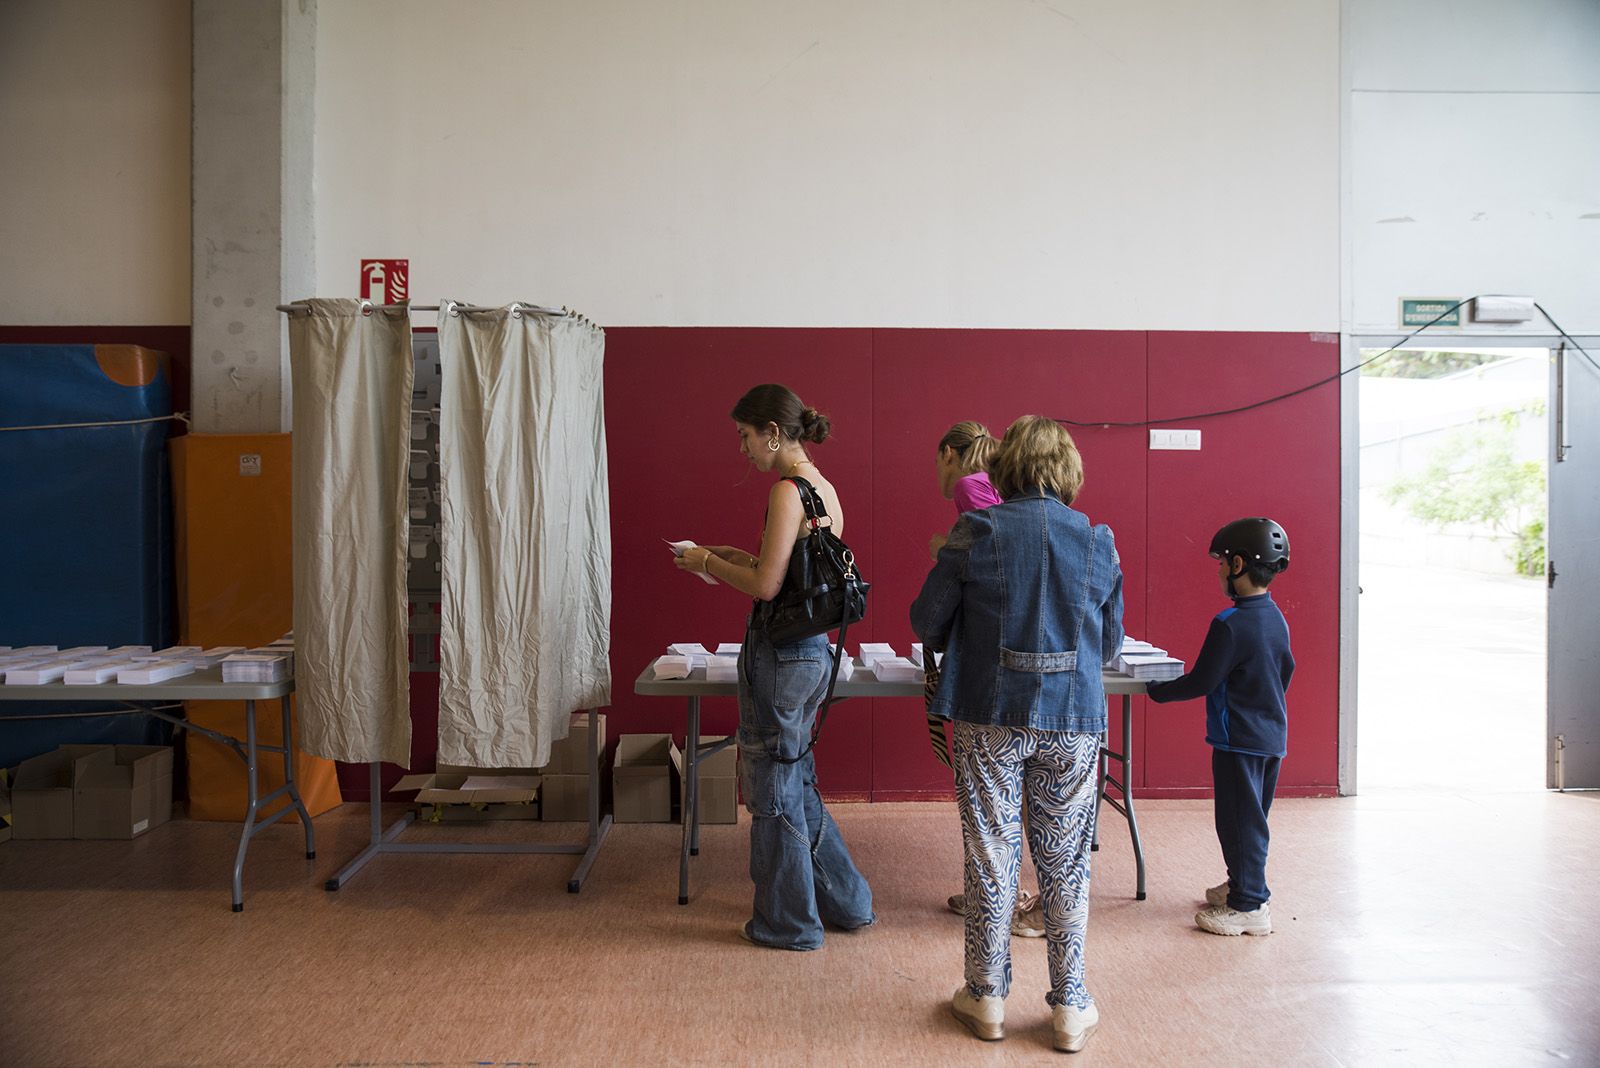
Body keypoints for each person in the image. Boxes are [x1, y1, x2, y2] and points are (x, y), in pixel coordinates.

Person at [910, 415, 1124, 1054]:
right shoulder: (1096, 540)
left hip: (988, 716)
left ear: (1005, 469)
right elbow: (1108, 644)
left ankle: (987, 995)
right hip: (1073, 721)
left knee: (990, 852)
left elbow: (926, 621)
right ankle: (1070, 1006)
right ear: (1069, 472)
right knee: (1063, 862)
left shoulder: (977, 531)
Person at [674, 383, 875, 950]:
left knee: (772, 791)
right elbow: (788, 575)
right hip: (811, 654)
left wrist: (711, 562)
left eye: (746, 436)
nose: (743, 449)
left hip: (780, 658)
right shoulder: (824, 491)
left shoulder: (787, 491)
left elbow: (765, 586)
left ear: (774, 432)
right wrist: (723, 559)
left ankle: (789, 924)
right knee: (796, 783)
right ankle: (849, 902)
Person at [1145, 517, 1294, 937]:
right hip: (1269, 736)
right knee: (1250, 817)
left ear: (1240, 565)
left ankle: (1250, 905)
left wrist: (1155, 690)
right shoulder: (1274, 618)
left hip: (1239, 741)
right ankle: (1241, 886)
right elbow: (1285, 671)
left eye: (1223, 562)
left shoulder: (1230, 623)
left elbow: (1201, 681)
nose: (1218, 570)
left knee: (1237, 820)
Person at [926, 422, 1046, 939]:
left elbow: (987, 555)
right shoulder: (997, 485)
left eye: (937, 459)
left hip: (996, 674)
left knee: (992, 810)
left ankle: (1002, 901)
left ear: (949, 452)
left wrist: (943, 550)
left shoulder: (967, 486)